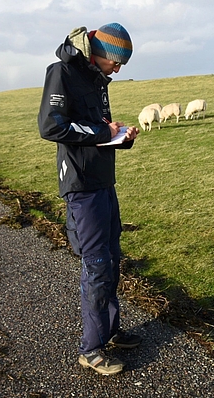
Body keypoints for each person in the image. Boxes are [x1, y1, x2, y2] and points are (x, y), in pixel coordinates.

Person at [37, 23, 141, 375]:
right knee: (96, 265)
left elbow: (98, 128)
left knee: (112, 258)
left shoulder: (98, 79)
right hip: (81, 186)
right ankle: (91, 350)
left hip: (103, 181)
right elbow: (51, 127)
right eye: (117, 61)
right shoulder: (62, 72)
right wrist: (102, 132)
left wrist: (120, 136)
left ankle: (110, 331)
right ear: (99, 53)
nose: (119, 68)